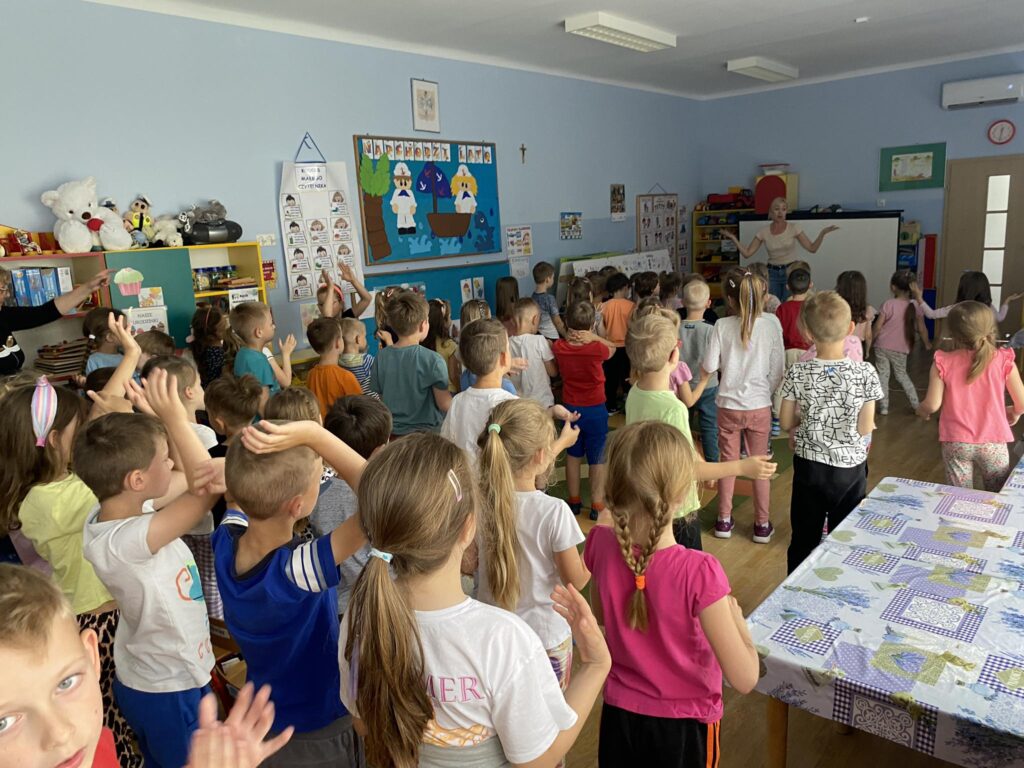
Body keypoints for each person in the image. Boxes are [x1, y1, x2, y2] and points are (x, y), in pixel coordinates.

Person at [338, 432, 610, 767]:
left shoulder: (361, 614)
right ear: (469, 528)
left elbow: (363, 723)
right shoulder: (503, 639)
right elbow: (537, 761)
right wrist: (596, 666)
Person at [584, 422, 759, 767]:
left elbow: (603, 618)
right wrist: (740, 625)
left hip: (619, 718)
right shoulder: (700, 571)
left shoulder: (599, 544)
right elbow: (745, 678)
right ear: (680, 495)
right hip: (685, 727)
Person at [0, 565, 292, 768]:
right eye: (4, 722)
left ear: (91, 657)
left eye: (66, 682)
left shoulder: (89, 744)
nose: (60, 734)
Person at [78, 371, 221, 768]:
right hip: (167, 687)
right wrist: (174, 418)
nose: (172, 461)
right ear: (137, 479)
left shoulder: (118, 510)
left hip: (162, 674)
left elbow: (190, 477)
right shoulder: (125, 542)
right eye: (163, 459)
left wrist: (159, 422)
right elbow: (206, 488)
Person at [215, 419, 368, 767]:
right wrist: (316, 434)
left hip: (263, 718)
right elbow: (381, 497)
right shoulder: (298, 570)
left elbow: (234, 500)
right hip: (319, 723)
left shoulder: (225, 543)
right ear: (297, 506)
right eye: (321, 476)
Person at [625, 314, 775, 550]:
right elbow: (689, 470)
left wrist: (696, 455)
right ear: (674, 354)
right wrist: (742, 467)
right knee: (687, 566)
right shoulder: (673, 408)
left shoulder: (635, 393)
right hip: (677, 510)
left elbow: (666, 446)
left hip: (646, 499)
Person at [477, 398, 588, 703]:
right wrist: (596, 547)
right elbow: (576, 581)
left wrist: (559, 442)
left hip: (493, 634)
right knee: (549, 717)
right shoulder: (554, 512)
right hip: (544, 636)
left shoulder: (478, 502)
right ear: (541, 456)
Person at [779, 292, 882, 573]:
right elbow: (865, 427)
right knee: (844, 538)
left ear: (807, 333)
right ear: (851, 329)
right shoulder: (865, 373)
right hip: (849, 469)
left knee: (803, 538)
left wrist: (808, 415)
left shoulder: (798, 371)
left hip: (809, 467)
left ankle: (794, 588)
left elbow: (786, 422)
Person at [702, 269, 784, 543]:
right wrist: (764, 394)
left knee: (729, 463)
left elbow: (709, 365)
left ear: (728, 299)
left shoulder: (721, 325)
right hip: (759, 406)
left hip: (728, 406)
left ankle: (723, 521)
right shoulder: (771, 324)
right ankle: (762, 524)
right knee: (760, 465)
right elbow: (778, 370)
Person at [917, 301, 1024, 490]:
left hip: (956, 441)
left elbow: (932, 404)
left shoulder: (943, 361)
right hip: (993, 442)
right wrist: (1015, 412)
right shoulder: (1003, 359)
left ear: (953, 333)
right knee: (996, 494)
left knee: (959, 496)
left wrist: (922, 410)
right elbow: (1022, 403)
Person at [315, 395, 391, 616]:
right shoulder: (388, 494)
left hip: (337, 608)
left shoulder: (315, 495)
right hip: (385, 601)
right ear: (380, 450)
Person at [554, 301, 615, 520]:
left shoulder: (559, 347)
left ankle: (574, 501)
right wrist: (595, 337)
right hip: (595, 409)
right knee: (597, 458)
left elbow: (562, 342)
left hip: (570, 408)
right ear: (591, 325)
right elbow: (613, 348)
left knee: (573, 455)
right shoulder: (597, 348)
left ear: (567, 322)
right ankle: (597, 504)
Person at [0, 266, 114, 375]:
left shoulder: (3, 315)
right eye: (2, 290)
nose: (8, 294)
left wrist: (89, 287)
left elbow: (46, 312)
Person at [722, 197, 839, 300]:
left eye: (783, 209)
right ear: (771, 212)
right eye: (777, 209)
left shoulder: (794, 228)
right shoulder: (763, 231)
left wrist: (822, 233)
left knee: (789, 303)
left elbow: (812, 248)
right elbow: (747, 253)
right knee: (773, 305)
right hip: (772, 273)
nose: (780, 212)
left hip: (791, 271)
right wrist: (733, 238)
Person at [369, 290, 451, 435]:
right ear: (423, 324)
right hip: (426, 437)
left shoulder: (381, 357)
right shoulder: (433, 360)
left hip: (393, 435)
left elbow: (382, 400)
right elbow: (444, 404)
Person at [440, 318, 518, 464]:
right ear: (503, 357)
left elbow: (447, 443)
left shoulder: (457, 401)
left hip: (465, 476)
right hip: (502, 477)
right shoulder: (512, 404)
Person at [873, 270, 929, 415]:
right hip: (900, 348)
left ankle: (884, 407)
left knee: (883, 376)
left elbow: (878, 326)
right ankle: (916, 405)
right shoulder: (915, 306)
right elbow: (921, 328)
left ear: (893, 287)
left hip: (882, 345)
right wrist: (927, 343)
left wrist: (871, 339)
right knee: (902, 375)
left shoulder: (888, 304)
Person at [679, 280, 720, 461]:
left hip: (680, 386)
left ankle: (684, 460)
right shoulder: (712, 330)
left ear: (683, 302)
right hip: (708, 385)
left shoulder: (674, 327)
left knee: (682, 425)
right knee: (710, 427)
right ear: (708, 303)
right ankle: (712, 463)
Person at [230, 302, 295, 395]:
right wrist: (286, 354)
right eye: (271, 323)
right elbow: (263, 400)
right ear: (259, 332)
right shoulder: (260, 361)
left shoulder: (242, 353)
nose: (274, 326)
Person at [912, 269, 1023, 324]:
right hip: (984, 352)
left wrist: (919, 298)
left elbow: (931, 314)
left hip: (962, 350)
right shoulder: (987, 307)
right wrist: (1007, 301)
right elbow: (1000, 318)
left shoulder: (959, 308)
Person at [305, 317, 362, 418]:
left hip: (320, 426)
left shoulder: (311, 375)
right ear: (337, 343)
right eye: (341, 337)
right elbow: (361, 409)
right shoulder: (346, 377)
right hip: (342, 426)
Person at [509, 298, 557, 408]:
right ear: (535, 320)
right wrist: (551, 350)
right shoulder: (540, 341)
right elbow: (553, 372)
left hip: (519, 405)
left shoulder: (507, 343)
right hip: (542, 403)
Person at [600, 272, 636, 413]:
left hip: (609, 347)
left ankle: (610, 405)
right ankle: (629, 406)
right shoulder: (631, 305)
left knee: (611, 378)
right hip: (627, 347)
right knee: (627, 376)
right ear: (625, 287)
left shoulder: (603, 306)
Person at [421, 299, 458, 393]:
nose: (451, 320)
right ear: (443, 321)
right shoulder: (449, 345)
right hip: (449, 392)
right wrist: (460, 390)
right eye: (449, 317)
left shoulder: (422, 344)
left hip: (430, 393)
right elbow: (453, 375)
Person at [836, 270, 875, 358]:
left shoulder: (837, 307)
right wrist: (867, 351)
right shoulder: (867, 310)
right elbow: (868, 335)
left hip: (838, 346)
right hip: (857, 348)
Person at [190, 305, 231, 387]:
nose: (226, 327)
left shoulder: (203, 349)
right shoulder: (216, 354)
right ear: (216, 332)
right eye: (224, 326)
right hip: (216, 392)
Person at [338, 318, 377, 398]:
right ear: (358, 339)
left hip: (353, 402)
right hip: (372, 401)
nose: (366, 339)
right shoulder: (365, 360)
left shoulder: (338, 362)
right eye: (364, 336)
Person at [83, 307, 127, 375]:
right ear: (110, 337)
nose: (131, 331)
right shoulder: (92, 362)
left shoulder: (126, 354)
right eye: (125, 329)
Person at [532, 261, 566, 341]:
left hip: (539, 336)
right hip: (552, 337)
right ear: (547, 279)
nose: (553, 279)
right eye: (553, 277)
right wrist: (566, 336)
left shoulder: (532, 297)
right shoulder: (549, 299)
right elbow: (557, 322)